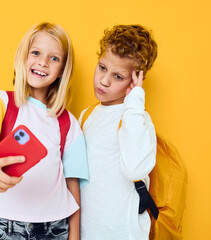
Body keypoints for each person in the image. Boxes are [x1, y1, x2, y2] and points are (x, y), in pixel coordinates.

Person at [0, 22, 89, 240]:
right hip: (4, 226)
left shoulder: (68, 123)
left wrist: (74, 237)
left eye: (54, 58)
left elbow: (72, 184)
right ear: (23, 57)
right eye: (36, 53)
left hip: (54, 229)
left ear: (61, 71)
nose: (43, 62)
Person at [79, 25, 158, 239]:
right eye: (102, 67)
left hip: (123, 233)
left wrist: (135, 103)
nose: (104, 81)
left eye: (118, 76)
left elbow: (135, 169)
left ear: (135, 80)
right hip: (87, 231)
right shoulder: (87, 115)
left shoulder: (136, 118)